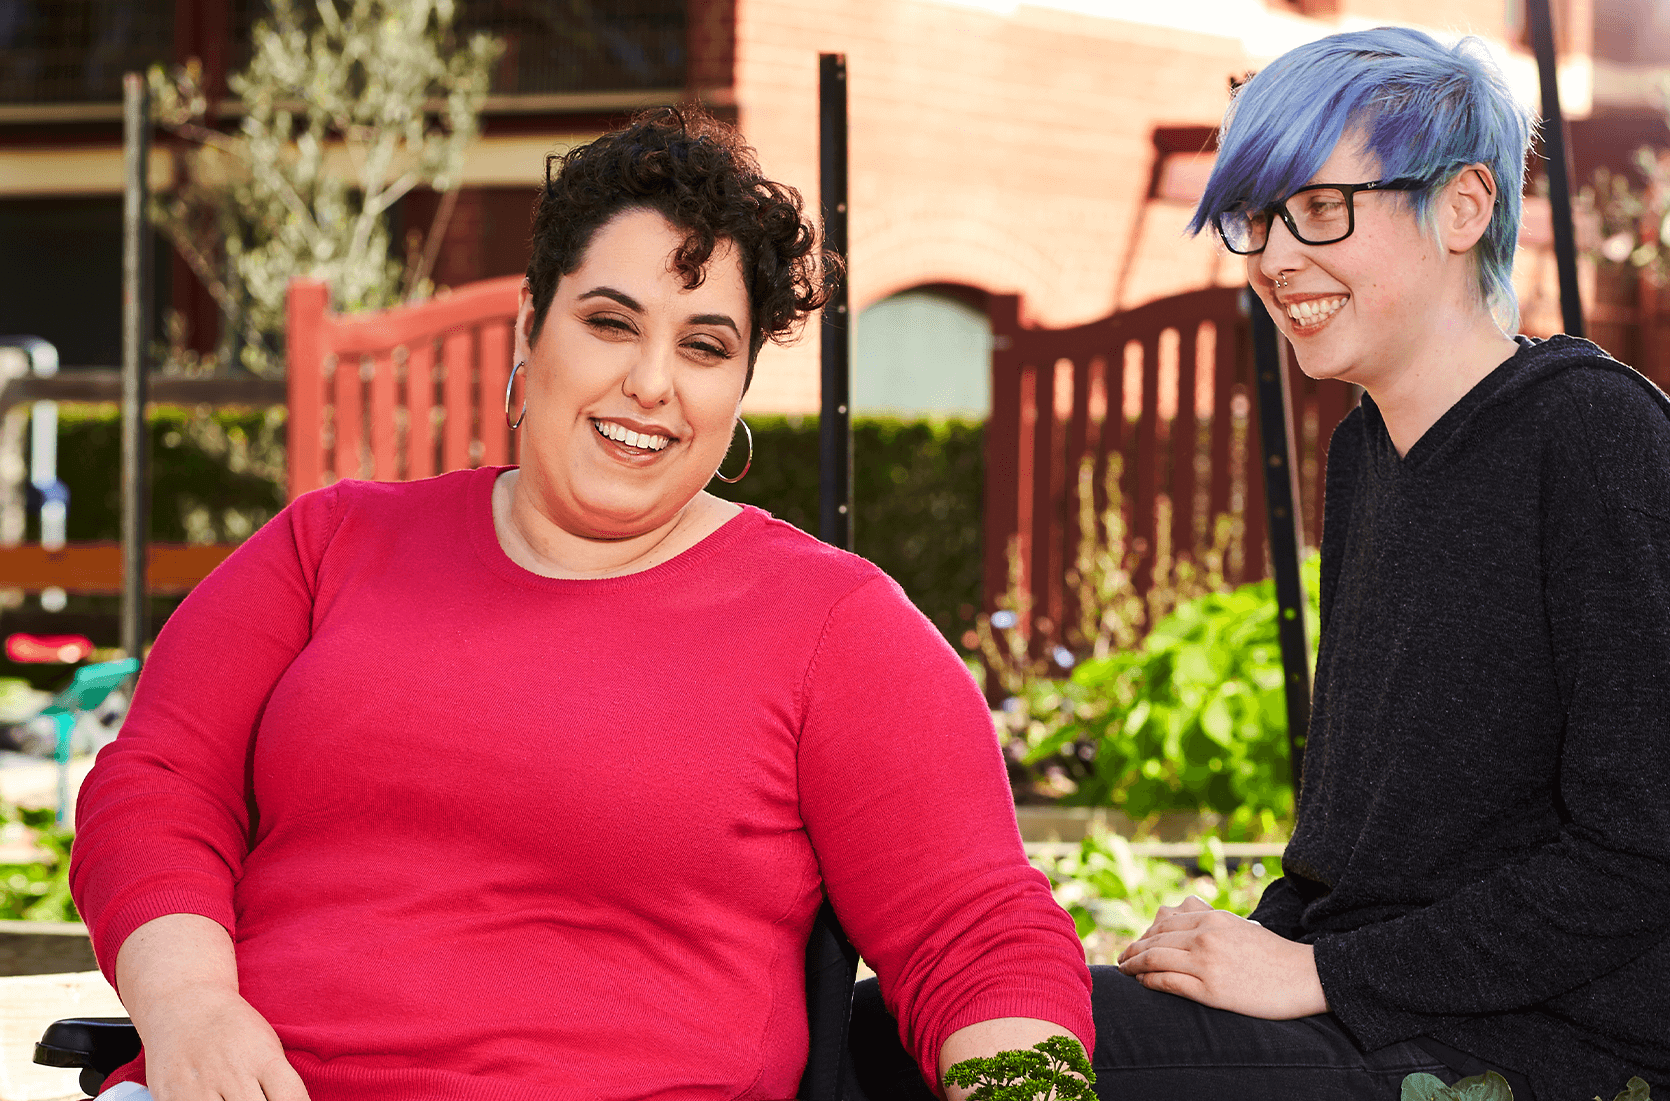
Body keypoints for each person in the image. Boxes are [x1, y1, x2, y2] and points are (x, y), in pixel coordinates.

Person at [69, 106, 1094, 1101]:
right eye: (611, 323)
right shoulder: (330, 545)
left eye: (703, 347)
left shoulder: (837, 627)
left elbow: (977, 930)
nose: (650, 382)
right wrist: (192, 1008)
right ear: (532, 327)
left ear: (737, 391)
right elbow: (159, 789)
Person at [849, 26, 1670, 1101]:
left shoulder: (1599, 441)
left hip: (1538, 1059)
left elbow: (1643, 862)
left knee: (935, 1056)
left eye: (1321, 209)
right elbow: (1370, 856)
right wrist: (1244, 948)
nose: (1274, 258)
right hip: (1375, 1017)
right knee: (908, 1021)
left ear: (1465, 207)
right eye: (1257, 218)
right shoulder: (1369, 451)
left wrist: (1316, 971)